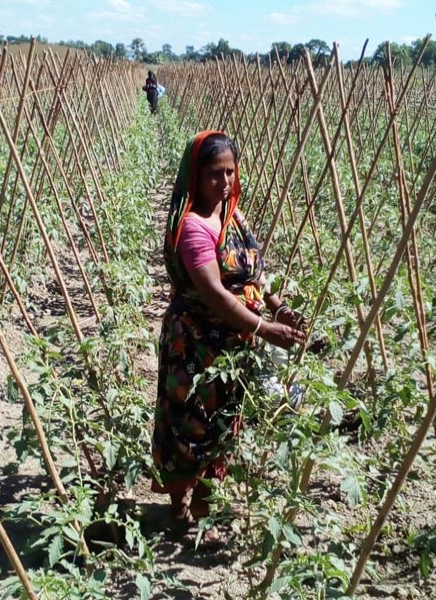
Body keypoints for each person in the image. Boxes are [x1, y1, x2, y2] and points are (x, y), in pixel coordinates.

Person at [151, 130, 306, 541]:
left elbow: (255, 271)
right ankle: (182, 511)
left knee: (223, 424)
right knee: (190, 427)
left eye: (230, 173)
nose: (223, 183)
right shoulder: (192, 227)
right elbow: (215, 294)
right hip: (196, 346)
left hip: (234, 344)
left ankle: (203, 511)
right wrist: (264, 327)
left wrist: (278, 306)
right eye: (214, 174)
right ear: (195, 177)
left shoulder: (233, 214)